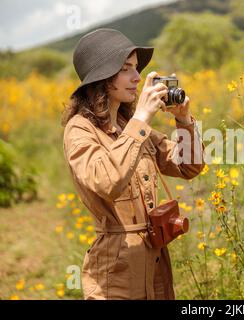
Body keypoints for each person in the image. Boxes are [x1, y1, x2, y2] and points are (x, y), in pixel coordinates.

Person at [61, 28, 205, 300]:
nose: (137, 78)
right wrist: (141, 118)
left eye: (136, 68)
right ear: (103, 77)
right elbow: (106, 181)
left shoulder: (129, 125)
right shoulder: (79, 129)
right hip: (116, 272)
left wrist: (184, 121)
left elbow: (188, 167)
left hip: (156, 263)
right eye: (126, 69)